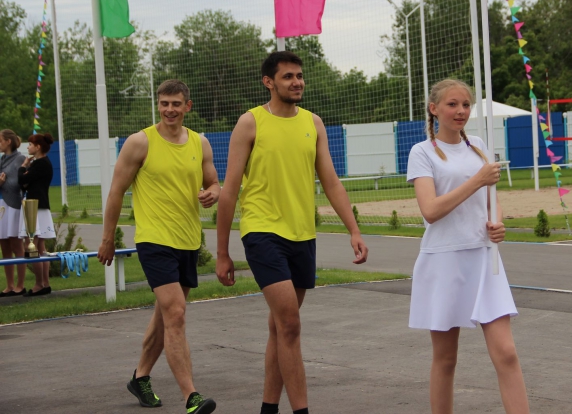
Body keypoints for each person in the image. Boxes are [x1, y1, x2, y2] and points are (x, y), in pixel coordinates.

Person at [216, 51, 369, 414]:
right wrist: (222, 252)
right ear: (268, 82)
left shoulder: (313, 123)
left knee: (280, 328)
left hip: (302, 235)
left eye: (299, 76)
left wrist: (354, 229)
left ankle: (268, 409)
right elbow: (229, 190)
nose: (297, 82)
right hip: (262, 232)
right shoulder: (250, 123)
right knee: (290, 323)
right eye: (288, 76)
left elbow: (331, 181)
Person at [406, 79, 530, 414]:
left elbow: (492, 202)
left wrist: (497, 223)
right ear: (434, 109)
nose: (461, 111)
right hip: (443, 262)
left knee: (506, 353)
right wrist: (477, 180)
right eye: (452, 104)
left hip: (485, 260)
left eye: (465, 105)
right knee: (446, 359)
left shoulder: (478, 147)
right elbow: (431, 211)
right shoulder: (422, 152)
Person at [97, 80, 219, 414]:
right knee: (176, 313)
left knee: (165, 317)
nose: (169, 110)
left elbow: (213, 181)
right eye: (164, 103)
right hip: (154, 240)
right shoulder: (140, 142)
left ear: (187, 106)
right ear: (158, 105)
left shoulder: (200, 142)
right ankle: (192, 396)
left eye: (176, 104)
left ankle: (140, 377)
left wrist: (214, 192)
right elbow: (116, 192)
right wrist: (107, 239)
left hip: (188, 241)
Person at [17, 132, 56, 297]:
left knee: (32, 247)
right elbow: (25, 184)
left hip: (35, 207)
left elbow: (22, 180)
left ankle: (40, 284)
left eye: (31, 145)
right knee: (40, 248)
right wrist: (26, 177)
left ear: (38, 147)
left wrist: (22, 167)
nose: (28, 147)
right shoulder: (40, 163)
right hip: (38, 206)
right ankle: (44, 283)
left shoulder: (40, 164)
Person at [0, 130, 26, 297]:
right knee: (4, 245)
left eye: (0, 140)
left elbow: (21, 182)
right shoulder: (1, 160)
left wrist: (5, 182)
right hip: (2, 205)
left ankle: (20, 285)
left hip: (14, 205)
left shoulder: (20, 159)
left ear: (8, 141)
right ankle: (9, 285)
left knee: (17, 245)